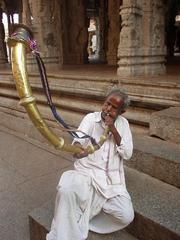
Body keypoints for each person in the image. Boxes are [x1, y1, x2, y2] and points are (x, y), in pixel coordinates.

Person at [46, 89, 134, 240]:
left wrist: (113, 128)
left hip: (111, 182)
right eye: (107, 103)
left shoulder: (123, 124)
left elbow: (127, 154)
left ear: (122, 111)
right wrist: (80, 150)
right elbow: (78, 141)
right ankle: (71, 226)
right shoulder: (90, 119)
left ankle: (83, 220)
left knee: (126, 216)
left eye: (113, 107)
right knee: (67, 190)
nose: (107, 109)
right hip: (87, 173)